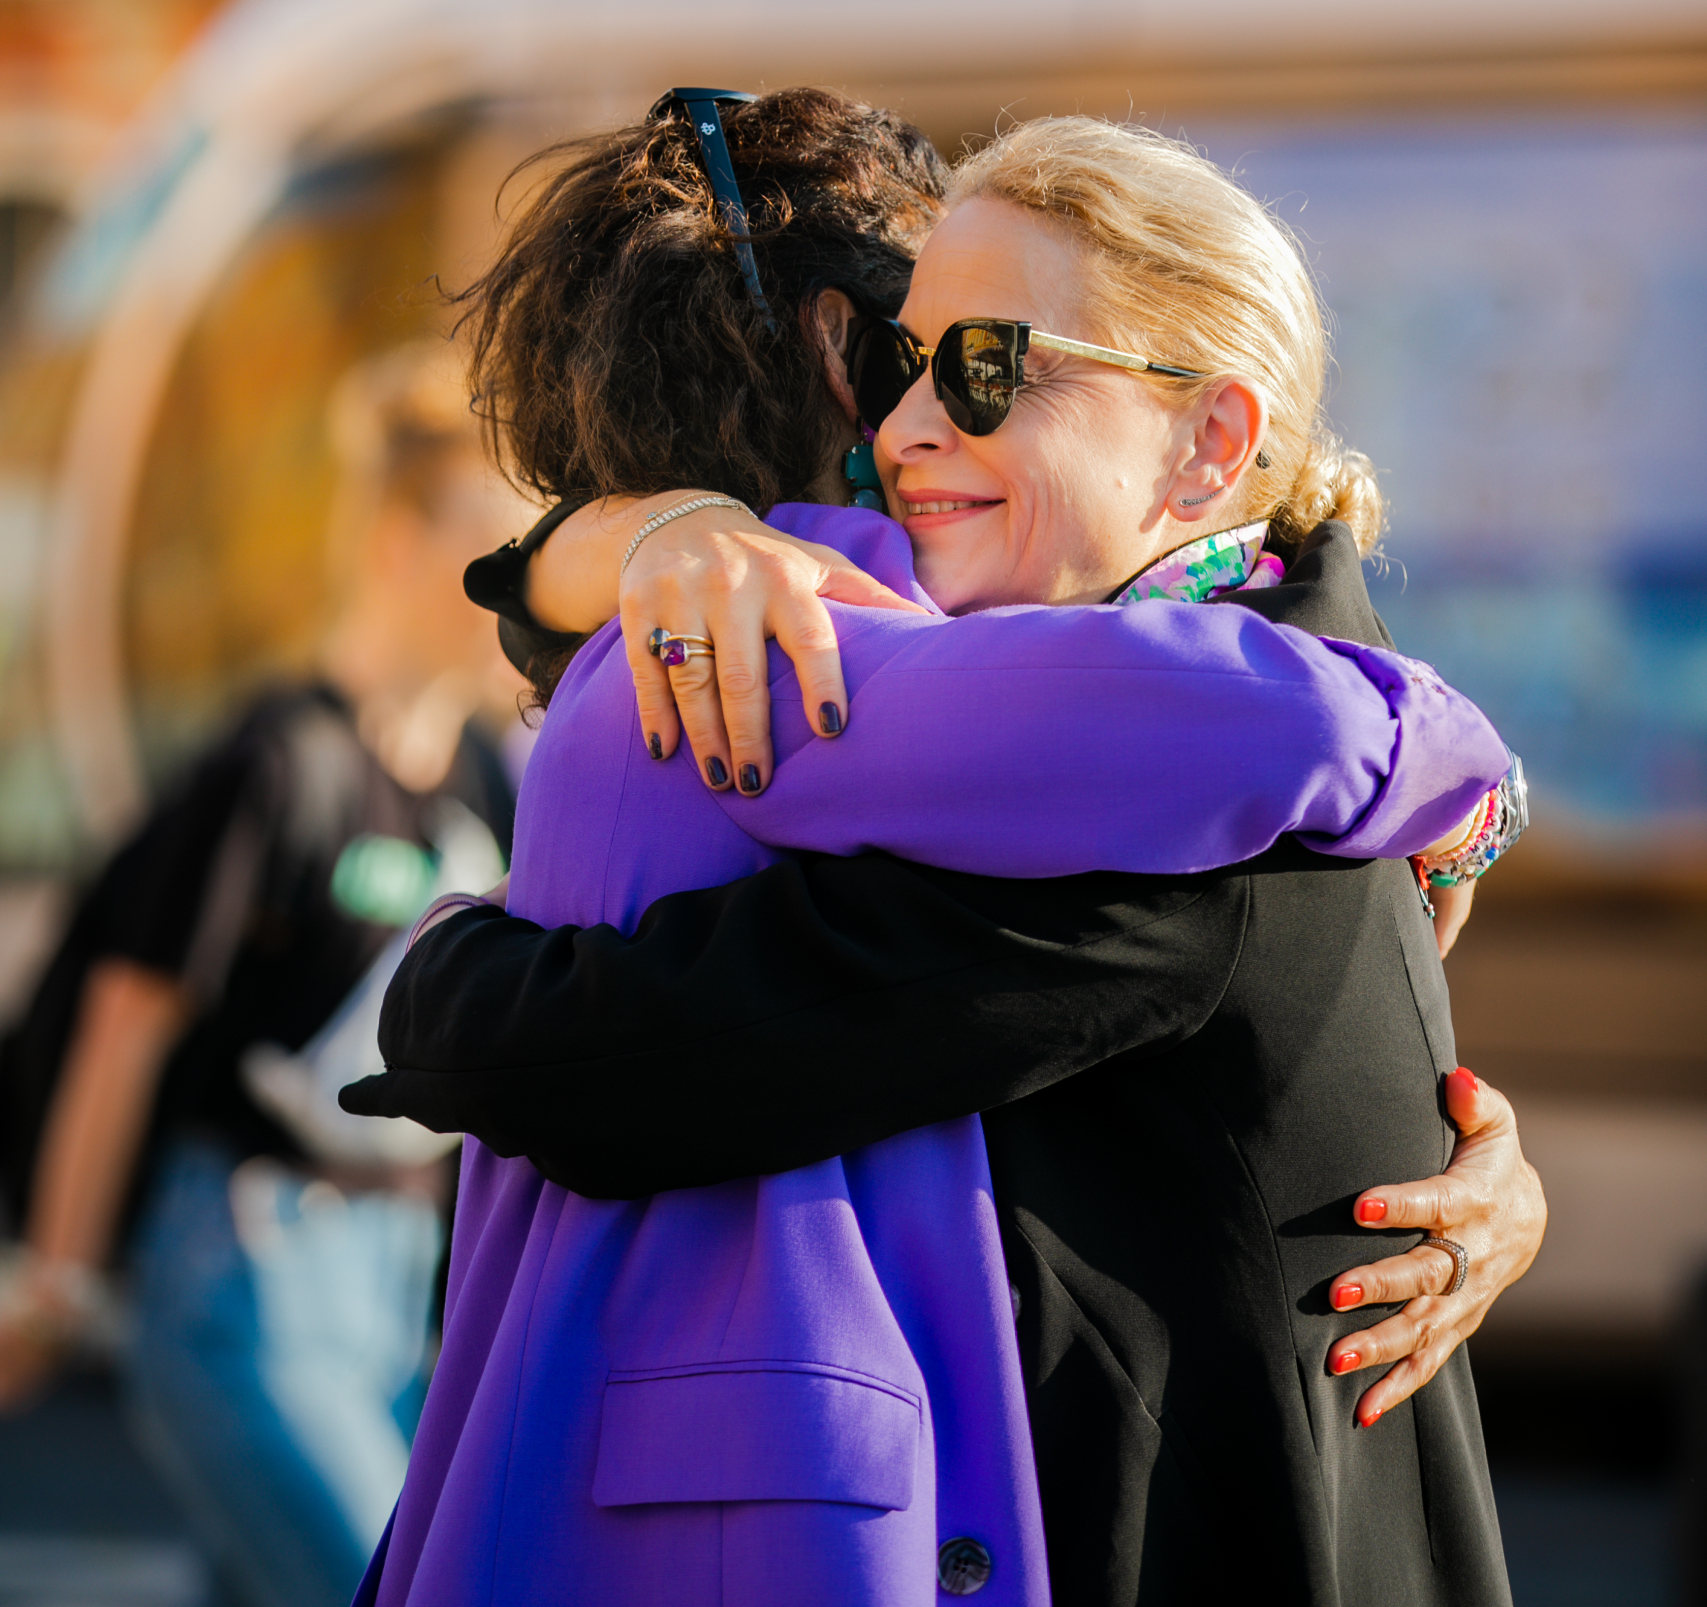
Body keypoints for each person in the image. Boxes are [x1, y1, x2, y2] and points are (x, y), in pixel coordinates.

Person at [349, 96, 1542, 1606]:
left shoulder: (1194, 826)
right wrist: (609, 546)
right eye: (899, 363)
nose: (903, 428)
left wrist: (447, 973)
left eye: (982, 368)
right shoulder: (1166, 725)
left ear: (1211, 440)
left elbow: (625, 1058)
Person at [0, 344, 517, 1607]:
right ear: (395, 544)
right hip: (242, 1275)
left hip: (396, 1294)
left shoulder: (483, 780)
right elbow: (126, 1023)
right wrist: (57, 1282)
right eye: (490, 554)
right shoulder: (278, 764)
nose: (519, 590)